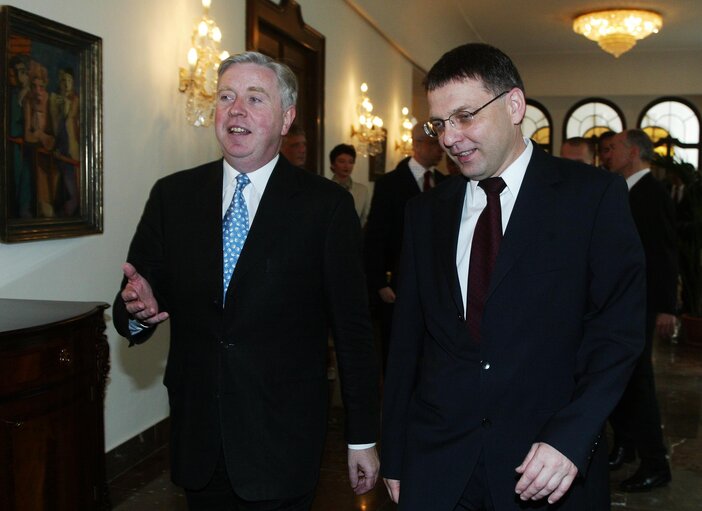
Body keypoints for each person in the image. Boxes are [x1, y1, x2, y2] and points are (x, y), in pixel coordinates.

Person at [380, 43, 645, 511]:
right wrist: (396, 456)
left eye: (464, 116)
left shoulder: (592, 197)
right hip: (439, 466)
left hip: (547, 467)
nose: (449, 137)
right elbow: (408, 345)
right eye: (439, 124)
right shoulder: (425, 213)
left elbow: (617, 332)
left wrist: (572, 435)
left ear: (514, 105)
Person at [113, 51, 380, 511]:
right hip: (200, 435)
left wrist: (362, 437)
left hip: (282, 438)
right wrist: (136, 309)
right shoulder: (173, 196)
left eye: (256, 98)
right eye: (227, 97)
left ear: (286, 118)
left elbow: (353, 331)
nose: (237, 110)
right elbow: (133, 297)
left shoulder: (325, 207)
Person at [606, 129, 676, 491]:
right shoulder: (625, 189)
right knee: (625, 379)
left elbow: (663, 253)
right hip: (625, 303)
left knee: (640, 383)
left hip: (645, 303)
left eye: (613, 148)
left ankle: (655, 462)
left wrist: (667, 307)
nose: (606, 154)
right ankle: (627, 446)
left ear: (633, 151)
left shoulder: (652, 192)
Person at [364, 122, 445, 371]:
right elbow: (375, 235)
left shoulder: (445, 182)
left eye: (441, 142)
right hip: (398, 282)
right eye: (433, 143)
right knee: (398, 354)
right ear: (417, 145)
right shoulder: (390, 183)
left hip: (436, 284)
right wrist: (379, 282)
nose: (441, 149)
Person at [329, 143, 370, 226]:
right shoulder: (326, 188)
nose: (346, 166)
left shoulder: (362, 190)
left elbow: (364, 219)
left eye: (350, 162)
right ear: (333, 164)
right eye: (341, 161)